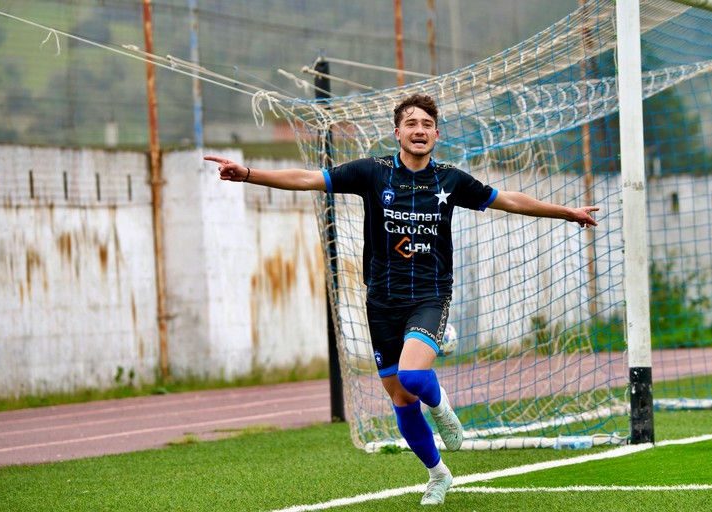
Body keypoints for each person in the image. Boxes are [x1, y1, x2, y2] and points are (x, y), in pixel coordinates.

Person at [204, 93, 598, 506]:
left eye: (427, 124)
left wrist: (565, 212)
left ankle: (443, 406)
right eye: (411, 124)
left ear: (436, 134)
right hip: (382, 303)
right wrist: (248, 174)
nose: (419, 130)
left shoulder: (450, 180)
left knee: (413, 378)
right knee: (401, 398)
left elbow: (509, 200)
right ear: (397, 133)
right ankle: (438, 474)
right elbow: (307, 178)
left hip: (430, 295)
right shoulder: (372, 173)